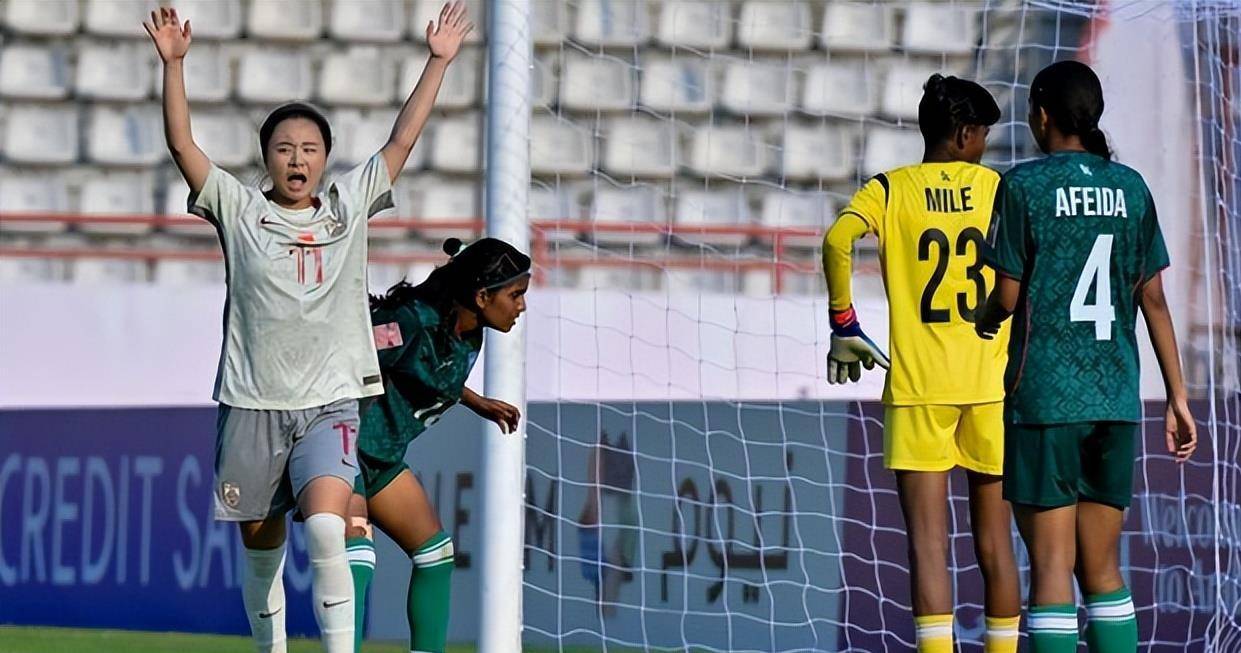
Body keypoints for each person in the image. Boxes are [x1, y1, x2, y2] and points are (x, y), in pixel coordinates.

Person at [143, 3, 472, 651]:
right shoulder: (238, 209)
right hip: (252, 403)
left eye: (310, 149)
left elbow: (401, 142)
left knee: (327, 527)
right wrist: (174, 66)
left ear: (325, 159)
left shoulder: (348, 208)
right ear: (267, 157)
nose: (297, 159)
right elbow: (183, 146)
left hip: (330, 403)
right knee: (262, 552)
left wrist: (437, 62)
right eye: (285, 148)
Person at [975, 60, 1196, 653]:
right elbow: (1154, 299)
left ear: (1042, 116)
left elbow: (1007, 296)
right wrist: (1177, 396)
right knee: (1102, 570)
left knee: (1051, 566)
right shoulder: (1131, 187)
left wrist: (985, 318)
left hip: (1046, 398)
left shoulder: (1023, 186)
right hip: (1115, 398)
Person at [823, 74, 1021, 653]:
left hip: (917, 389)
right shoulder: (998, 188)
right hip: (990, 386)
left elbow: (837, 241)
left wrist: (844, 324)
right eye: (982, 134)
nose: (985, 145)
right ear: (963, 134)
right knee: (996, 545)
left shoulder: (888, 189)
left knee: (929, 546)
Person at [347, 237, 530, 653]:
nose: (521, 306)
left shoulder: (469, 332)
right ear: (482, 297)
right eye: (515, 295)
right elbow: (351, 350)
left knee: (435, 553)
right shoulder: (409, 322)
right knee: (357, 558)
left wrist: (476, 402)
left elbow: (426, 366)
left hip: (381, 458)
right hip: (342, 453)